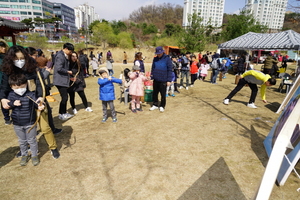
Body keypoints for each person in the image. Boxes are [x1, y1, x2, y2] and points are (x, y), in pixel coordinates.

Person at [0, 45, 60, 159]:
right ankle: (25, 148)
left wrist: (41, 98)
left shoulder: (33, 67)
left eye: (21, 58)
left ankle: (53, 147)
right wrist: (3, 99)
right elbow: (3, 88)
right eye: (16, 59)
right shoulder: (8, 71)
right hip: (20, 105)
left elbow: (40, 84)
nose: (19, 61)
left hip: (36, 101)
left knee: (45, 127)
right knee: (24, 130)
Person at [7, 74, 44, 166]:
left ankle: (34, 155)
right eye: (16, 87)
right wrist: (12, 103)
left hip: (30, 123)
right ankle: (24, 155)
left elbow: (37, 103)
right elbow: (6, 106)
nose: (20, 89)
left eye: (22, 86)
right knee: (22, 141)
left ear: (26, 85)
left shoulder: (30, 94)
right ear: (11, 87)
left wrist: (41, 105)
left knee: (32, 140)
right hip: (17, 123)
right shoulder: (11, 95)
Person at [25, 47, 62, 135]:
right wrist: (47, 71)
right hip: (35, 95)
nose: (36, 57)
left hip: (39, 93)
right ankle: (34, 132)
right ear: (29, 55)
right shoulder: (28, 68)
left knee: (47, 112)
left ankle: (51, 128)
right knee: (37, 114)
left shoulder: (33, 65)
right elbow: (40, 78)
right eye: (35, 55)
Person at [53, 43, 74, 121]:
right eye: (70, 51)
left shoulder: (63, 55)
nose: (70, 53)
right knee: (64, 97)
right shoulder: (60, 56)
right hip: (60, 80)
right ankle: (62, 114)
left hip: (63, 80)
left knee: (65, 97)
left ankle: (64, 112)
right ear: (66, 48)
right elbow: (58, 68)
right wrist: (68, 71)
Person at [149, 46, 172, 112]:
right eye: (157, 54)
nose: (158, 55)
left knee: (163, 94)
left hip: (163, 79)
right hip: (156, 79)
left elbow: (170, 70)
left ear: (162, 52)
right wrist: (151, 76)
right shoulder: (155, 59)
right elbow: (153, 68)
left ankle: (162, 105)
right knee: (155, 93)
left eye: (159, 53)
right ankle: (155, 104)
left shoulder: (167, 59)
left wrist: (169, 80)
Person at [0, 39, 11, 125]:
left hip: (9, 81)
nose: (3, 48)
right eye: (1, 47)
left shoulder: (8, 57)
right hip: (1, 82)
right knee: (3, 99)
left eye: (4, 46)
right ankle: (6, 117)